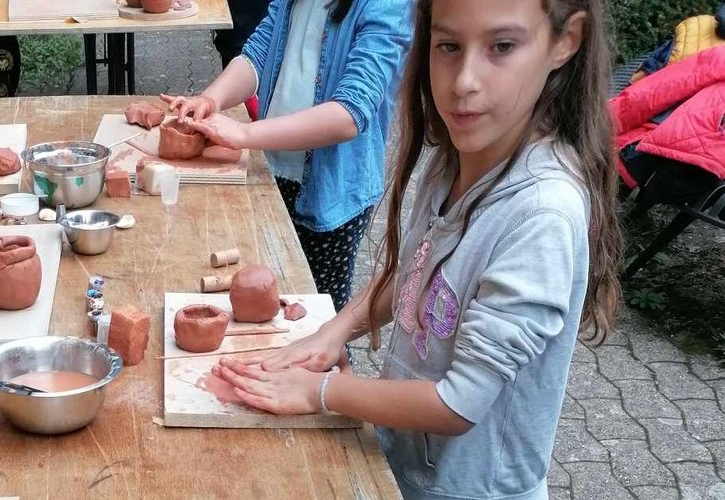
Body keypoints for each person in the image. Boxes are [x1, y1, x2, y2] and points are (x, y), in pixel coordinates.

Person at [212, 0, 622, 498]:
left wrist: (323, 392)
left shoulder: (542, 215)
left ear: (565, 41)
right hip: (407, 467)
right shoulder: (456, 156)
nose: (464, 80)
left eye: (502, 47)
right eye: (448, 46)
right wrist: (336, 329)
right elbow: (415, 273)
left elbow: (458, 404)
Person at [163, 0, 412, 314]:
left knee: (319, 316)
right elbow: (259, 53)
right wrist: (211, 99)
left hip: (329, 195)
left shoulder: (386, 6)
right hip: (273, 173)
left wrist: (243, 135)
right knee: (267, 301)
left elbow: (350, 113)